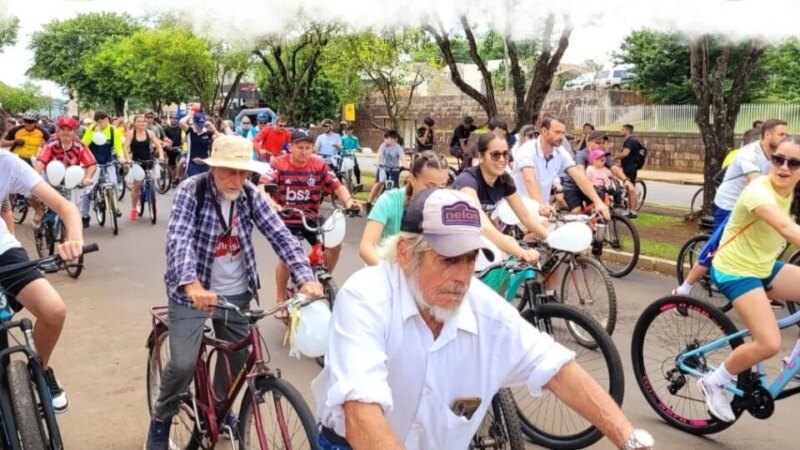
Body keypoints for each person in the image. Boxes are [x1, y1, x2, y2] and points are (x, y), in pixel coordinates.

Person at [311, 188, 654, 450]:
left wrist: (629, 438)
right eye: (448, 259)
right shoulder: (365, 298)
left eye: (470, 258)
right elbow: (362, 414)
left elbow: (557, 368)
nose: (462, 277)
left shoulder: (484, 307)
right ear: (404, 253)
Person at [145, 135, 323, 449]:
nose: (237, 179)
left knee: (238, 358)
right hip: (192, 292)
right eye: (230, 171)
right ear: (213, 168)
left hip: (236, 292)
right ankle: (161, 419)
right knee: (183, 363)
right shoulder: (192, 190)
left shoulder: (250, 195)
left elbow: (281, 236)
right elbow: (179, 239)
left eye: (243, 172)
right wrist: (192, 284)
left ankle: (218, 408)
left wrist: (305, 278)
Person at [697, 136, 800, 423]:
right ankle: (715, 381)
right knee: (769, 343)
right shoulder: (758, 190)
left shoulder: (795, 193)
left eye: (794, 163)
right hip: (735, 269)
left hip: (763, 266)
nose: (784, 167)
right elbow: (785, 227)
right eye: (778, 159)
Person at [1, 121, 87, 414]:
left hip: (3, 251)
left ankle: (39, 371)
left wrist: (74, 239)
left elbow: (66, 207)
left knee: (54, 310)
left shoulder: (8, 164)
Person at [674, 119, 789, 295]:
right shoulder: (749, 154)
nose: (785, 138)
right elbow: (757, 183)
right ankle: (684, 288)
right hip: (729, 204)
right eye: (781, 134)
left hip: (753, 205)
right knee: (720, 246)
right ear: (767, 135)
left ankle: (757, 277)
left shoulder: (778, 156)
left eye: (787, 135)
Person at [260, 129, 360, 317]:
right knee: (286, 257)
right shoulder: (278, 163)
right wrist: (274, 204)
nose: (304, 152)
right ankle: (280, 300)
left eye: (308, 148)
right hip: (286, 218)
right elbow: (263, 187)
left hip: (311, 217)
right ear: (291, 147)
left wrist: (349, 203)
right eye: (300, 147)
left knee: (334, 245)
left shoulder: (319, 164)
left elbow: (337, 186)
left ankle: (321, 279)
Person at [453, 133, 548, 264]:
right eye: (495, 155)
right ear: (481, 157)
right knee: (501, 254)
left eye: (505, 154)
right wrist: (521, 252)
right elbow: (483, 226)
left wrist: (552, 240)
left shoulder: (504, 180)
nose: (502, 159)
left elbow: (525, 216)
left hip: (478, 233)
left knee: (509, 248)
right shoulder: (467, 181)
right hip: (457, 238)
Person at [360, 151, 450, 265]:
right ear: (412, 179)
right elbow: (366, 247)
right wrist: (389, 273)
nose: (435, 193)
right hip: (385, 265)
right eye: (429, 186)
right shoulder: (389, 201)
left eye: (442, 187)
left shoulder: (446, 207)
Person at [512, 116, 610, 219]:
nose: (561, 137)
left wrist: (598, 201)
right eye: (557, 132)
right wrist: (541, 206)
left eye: (563, 133)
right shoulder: (527, 150)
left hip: (543, 207)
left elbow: (578, 176)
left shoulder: (560, 152)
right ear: (544, 131)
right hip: (521, 206)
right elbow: (529, 179)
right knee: (545, 228)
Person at [563, 130, 637, 215]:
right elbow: (581, 174)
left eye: (603, 142)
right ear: (589, 142)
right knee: (577, 211)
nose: (601, 145)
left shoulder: (603, 155)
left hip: (592, 187)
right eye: (598, 142)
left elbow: (614, 168)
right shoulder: (581, 155)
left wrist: (625, 180)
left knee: (599, 208)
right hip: (574, 187)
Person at [2, 112, 51, 227]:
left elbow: (51, 144)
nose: (28, 124)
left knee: (30, 190)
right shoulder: (16, 130)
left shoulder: (42, 132)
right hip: (17, 160)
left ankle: (39, 209)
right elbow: (2, 143)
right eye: (25, 122)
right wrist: (14, 142)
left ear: (36, 122)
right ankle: (15, 203)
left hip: (34, 161)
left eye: (30, 122)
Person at [80, 110, 124, 226]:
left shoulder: (112, 130)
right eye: (102, 121)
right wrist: (95, 133)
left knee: (114, 184)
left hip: (108, 161)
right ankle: (85, 215)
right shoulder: (91, 129)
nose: (105, 122)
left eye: (106, 120)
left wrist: (121, 157)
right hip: (92, 163)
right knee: (88, 189)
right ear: (97, 121)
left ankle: (115, 206)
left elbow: (118, 146)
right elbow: (84, 144)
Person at [124, 115, 165, 221]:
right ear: (134, 123)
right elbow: (126, 147)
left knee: (152, 181)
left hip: (148, 160)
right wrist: (128, 159)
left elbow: (158, 145)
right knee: (137, 185)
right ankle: (134, 208)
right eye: (138, 121)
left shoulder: (150, 133)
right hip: (136, 162)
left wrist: (161, 155)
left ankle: (152, 202)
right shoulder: (131, 134)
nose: (141, 123)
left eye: (143, 121)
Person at [35, 117, 97, 187]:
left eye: (69, 130)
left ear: (74, 131)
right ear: (58, 130)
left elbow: (92, 164)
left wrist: (88, 177)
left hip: (72, 181)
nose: (65, 132)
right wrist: (36, 177)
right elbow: (41, 161)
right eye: (62, 129)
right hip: (50, 181)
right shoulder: (50, 143)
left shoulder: (80, 146)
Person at [366, 130, 405, 210]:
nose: (385, 140)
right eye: (384, 138)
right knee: (378, 184)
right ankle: (369, 203)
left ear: (393, 139)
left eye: (387, 138)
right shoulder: (383, 146)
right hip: (383, 168)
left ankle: (395, 206)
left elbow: (403, 157)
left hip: (394, 169)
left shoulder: (398, 147)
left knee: (394, 188)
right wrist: (377, 162)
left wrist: (404, 164)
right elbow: (379, 155)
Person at [613, 124, 644, 209]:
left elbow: (625, 153)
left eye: (622, 129)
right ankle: (628, 208)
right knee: (628, 188)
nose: (620, 131)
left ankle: (632, 211)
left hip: (630, 168)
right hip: (629, 167)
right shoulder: (632, 140)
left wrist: (613, 158)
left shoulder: (630, 141)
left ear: (628, 131)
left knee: (630, 189)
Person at [179, 112, 218, 178]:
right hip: (193, 164)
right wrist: (190, 114)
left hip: (205, 163)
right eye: (198, 124)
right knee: (195, 181)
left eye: (202, 124)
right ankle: (178, 177)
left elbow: (220, 139)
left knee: (206, 182)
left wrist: (213, 128)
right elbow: (181, 122)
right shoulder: (190, 131)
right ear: (194, 122)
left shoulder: (207, 132)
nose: (201, 127)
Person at [163, 115, 183, 185]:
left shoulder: (180, 129)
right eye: (173, 119)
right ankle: (173, 180)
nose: (174, 120)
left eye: (175, 118)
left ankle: (179, 178)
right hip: (170, 150)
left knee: (181, 164)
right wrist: (166, 148)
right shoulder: (166, 129)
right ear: (170, 119)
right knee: (173, 166)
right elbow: (164, 139)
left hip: (180, 149)